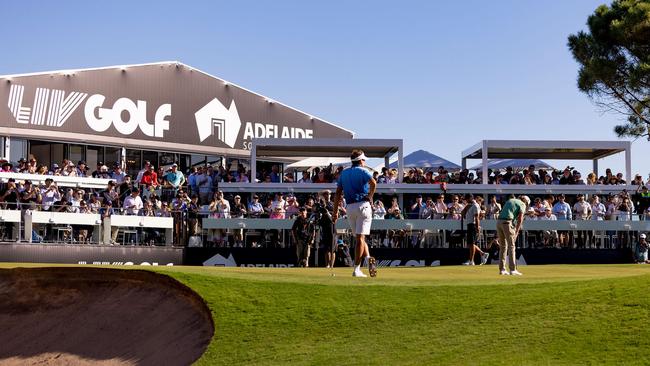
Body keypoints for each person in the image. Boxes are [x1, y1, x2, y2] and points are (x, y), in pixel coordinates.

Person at [333, 149, 377, 278]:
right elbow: (374, 183)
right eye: (364, 160)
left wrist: (335, 212)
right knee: (360, 239)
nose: (364, 162)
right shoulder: (364, 171)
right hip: (363, 206)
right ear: (361, 160)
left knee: (360, 238)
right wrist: (370, 196)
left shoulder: (344, 173)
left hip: (350, 208)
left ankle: (368, 257)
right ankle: (357, 269)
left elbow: (337, 193)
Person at [496, 194, 528, 276]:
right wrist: (517, 231)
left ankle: (502, 270)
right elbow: (520, 218)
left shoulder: (510, 200)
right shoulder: (522, 204)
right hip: (507, 222)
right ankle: (513, 269)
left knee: (503, 247)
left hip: (499, 222)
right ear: (526, 202)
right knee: (512, 246)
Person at [462, 194, 489, 265]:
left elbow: (477, 217)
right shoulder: (469, 205)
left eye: (467, 199)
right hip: (470, 225)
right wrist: (466, 207)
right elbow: (462, 214)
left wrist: (477, 228)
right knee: (471, 244)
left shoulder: (475, 205)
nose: (466, 201)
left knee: (472, 244)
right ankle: (482, 254)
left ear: (470, 198)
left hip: (473, 226)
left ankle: (471, 261)